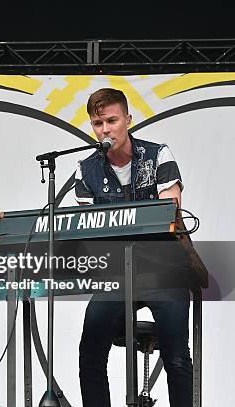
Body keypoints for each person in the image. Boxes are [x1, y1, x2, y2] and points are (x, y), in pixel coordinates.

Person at [75, 88, 192, 406]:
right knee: (90, 353)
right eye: (98, 123)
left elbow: (171, 213)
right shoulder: (85, 170)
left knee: (177, 356)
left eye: (112, 120)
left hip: (164, 268)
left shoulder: (158, 155)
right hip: (115, 272)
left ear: (127, 119)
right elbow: (90, 231)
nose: (105, 129)